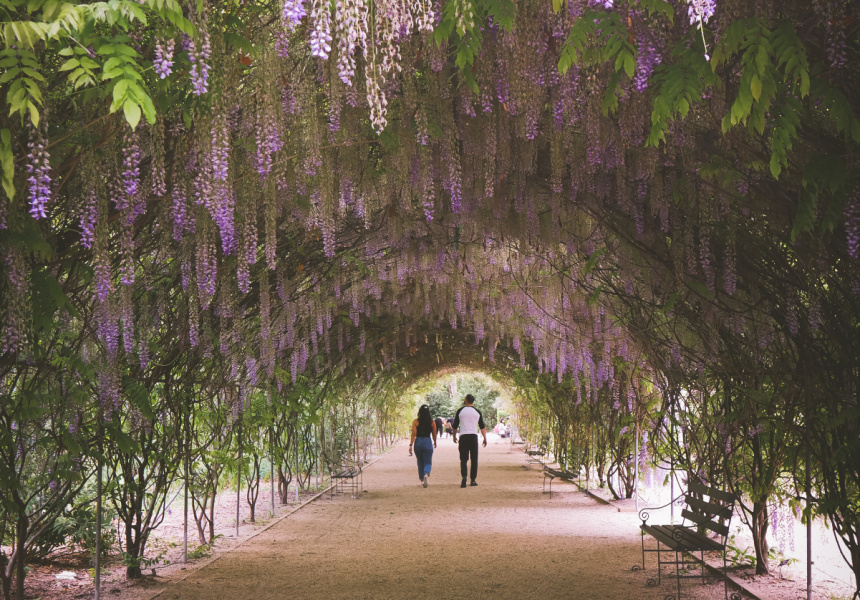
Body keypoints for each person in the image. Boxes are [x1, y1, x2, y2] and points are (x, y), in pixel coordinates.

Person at [451, 394, 487, 488]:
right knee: (474, 459)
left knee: (463, 459)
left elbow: (455, 426)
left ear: (466, 400)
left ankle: (464, 478)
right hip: (473, 436)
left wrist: (454, 436)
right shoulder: (477, 412)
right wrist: (485, 438)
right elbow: (482, 426)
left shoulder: (460, 411)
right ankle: (473, 480)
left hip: (463, 436)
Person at [409, 404, 437, 487]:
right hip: (427, 441)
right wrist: (435, 442)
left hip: (418, 442)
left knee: (420, 461)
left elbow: (414, 434)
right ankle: (426, 474)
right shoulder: (432, 422)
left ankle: (421, 479)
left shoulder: (415, 421)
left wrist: (410, 444)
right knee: (428, 461)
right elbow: (434, 434)